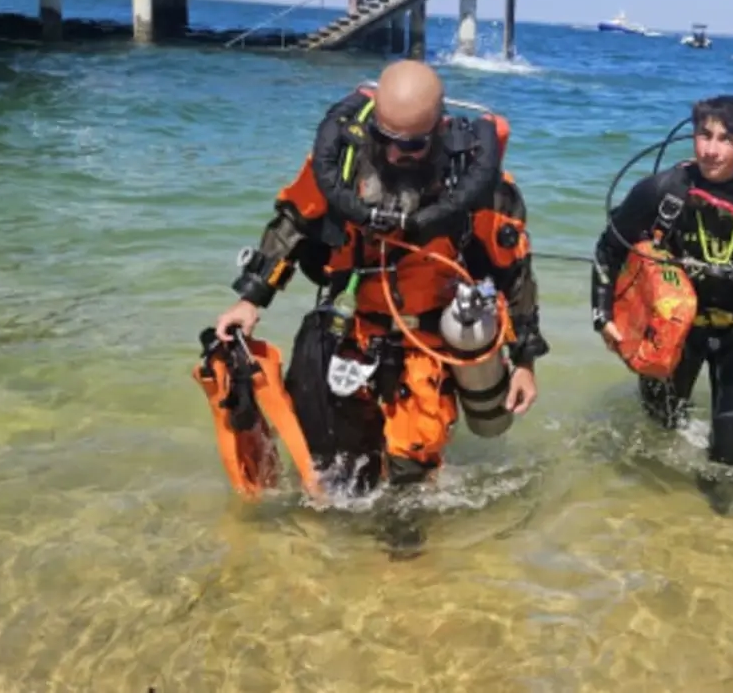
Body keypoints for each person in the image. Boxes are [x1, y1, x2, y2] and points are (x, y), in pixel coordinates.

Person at [199, 60, 548, 500]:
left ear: (438, 128)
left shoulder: (476, 184)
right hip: (352, 324)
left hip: (427, 339)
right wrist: (250, 300)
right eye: (387, 140)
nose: (398, 154)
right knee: (335, 470)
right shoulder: (342, 164)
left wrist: (525, 363)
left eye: (414, 145)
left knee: (409, 481)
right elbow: (293, 224)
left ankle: (405, 562)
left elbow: (515, 272)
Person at [591, 94, 733, 468]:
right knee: (655, 435)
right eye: (705, 135)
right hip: (673, 333)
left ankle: (718, 524)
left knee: (729, 458)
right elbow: (608, 249)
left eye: (726, 140)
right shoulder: (660, 192)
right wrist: (602, 316)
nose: (712, 150)